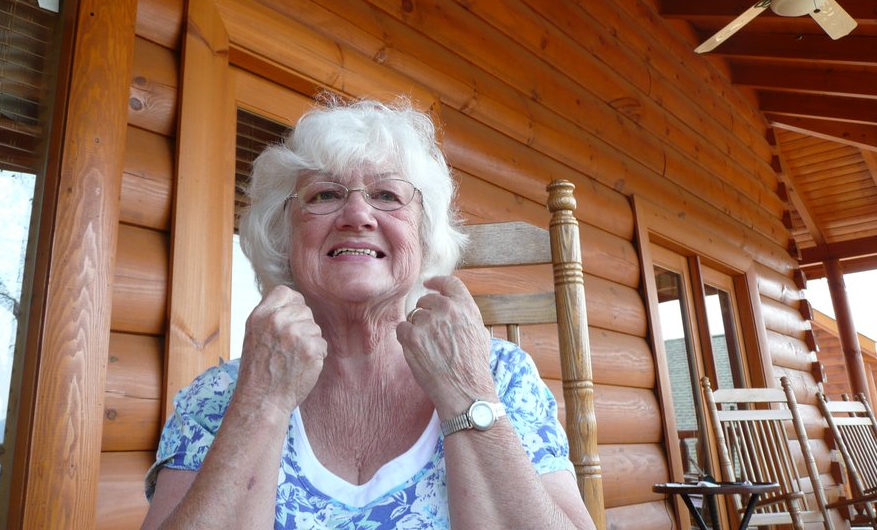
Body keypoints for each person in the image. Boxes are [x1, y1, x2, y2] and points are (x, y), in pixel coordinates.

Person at [142, 97, 596, 530]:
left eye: (386, 194)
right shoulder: (221, 397)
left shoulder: (499, 377)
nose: (357, 214)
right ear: (283, 234)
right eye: (324, 195)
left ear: (424, 235)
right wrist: (262, 401)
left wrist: (466, 394)